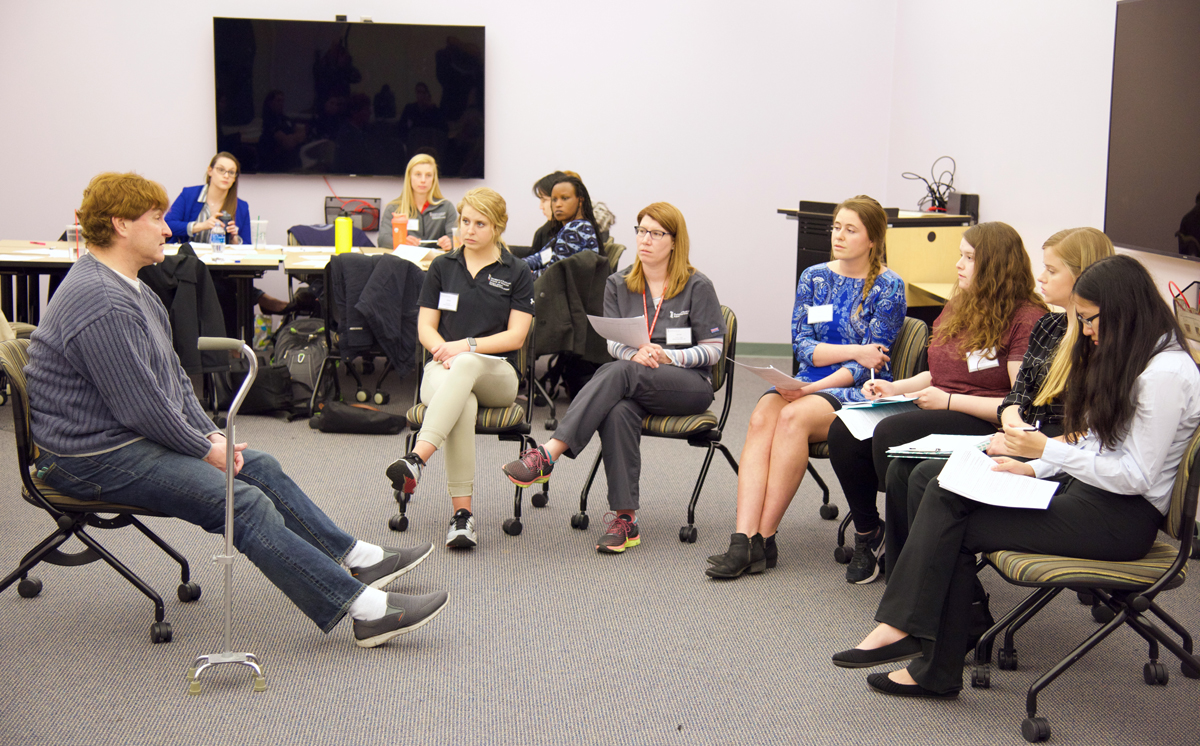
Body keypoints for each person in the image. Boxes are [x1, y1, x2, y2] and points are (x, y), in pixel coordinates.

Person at [27, 172, 447, 648]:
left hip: (119, 438)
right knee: (241, 501)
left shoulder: (135, 290)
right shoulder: (101, 301)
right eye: (157, 219)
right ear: (121, 225)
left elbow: (172, 384)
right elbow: (141, 406)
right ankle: (364, 610)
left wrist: (209, 436)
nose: (168, 230)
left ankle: (355, 556)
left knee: (259, 467)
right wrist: (205, 448)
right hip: (85, 459)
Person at [832, 254, 1200, 699]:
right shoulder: (1139, 356)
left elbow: (1134, 478)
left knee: (955, 511)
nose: (1085, 330)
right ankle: (918, 644)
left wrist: (1046, 449)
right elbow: (1094, 443)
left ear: (1123, 310)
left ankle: (920, 647)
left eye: (1089, 319)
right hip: (1091, 495)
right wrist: (1031, 465)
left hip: (1120, 520)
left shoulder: (1165, 375)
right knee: (942, 481)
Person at [826, 221, 1048, 584]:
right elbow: (938, 374)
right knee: (843, 430)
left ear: (996, 264)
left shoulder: (1025, 319)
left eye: (969, 257)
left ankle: (911, 552)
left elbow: (1017, 405)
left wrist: (948, 401)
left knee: (890, 435)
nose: (959, 264)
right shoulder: (962, 304)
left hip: (984, 419)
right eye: (960, 255)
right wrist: (895, 388)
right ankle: (869, 533)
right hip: (940, 402)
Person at [883, 227, 1115, 574]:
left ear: (1085, 277)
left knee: (926, 478)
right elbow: (1016, 396)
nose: (1041, 276)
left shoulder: (1098, 346)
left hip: (1057, 456)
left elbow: (1091, 433)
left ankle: (932, 593)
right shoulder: (1049, 327)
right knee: (904, 469)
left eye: (1051, 270)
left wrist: (1027, 444)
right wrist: (1011, 424)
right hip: (1024, 438)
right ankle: (907, 582)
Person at [501, 203, 726, 554]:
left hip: (687, 384)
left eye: (656, 233)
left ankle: (549, 453)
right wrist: (634, 353)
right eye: (641, 231)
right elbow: (614, 342)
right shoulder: (618, 284)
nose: (645, 239)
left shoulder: (697, 286)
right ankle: (625, 520)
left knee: (619, 373)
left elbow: (713, 350)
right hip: (635, 379)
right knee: (619, 409)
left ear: (674, 241)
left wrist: (668, 355)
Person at [705, 196, 906, 579]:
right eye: (836, 227)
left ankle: (764, 539)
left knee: (793, 419)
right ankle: (741, 539)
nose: (839, 236)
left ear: (873, 240)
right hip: (807, 379)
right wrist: (855, 350)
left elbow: (871, 364)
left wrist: (825, 381)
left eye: (851, 229)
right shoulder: (814, 276)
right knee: (762, 417)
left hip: (858, 389)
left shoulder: (889, 287)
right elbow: (803, 346)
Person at [385, 188, 535, 549]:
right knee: (462, 403)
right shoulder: (442, 266)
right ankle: (462, 518)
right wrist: (442, 350)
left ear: (498, 227)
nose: (468, 230)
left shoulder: (517, 271)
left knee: (467, 365)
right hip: (443, 368)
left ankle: (417, 458)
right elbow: (425, 327)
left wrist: (463, 347)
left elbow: (516, 337)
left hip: (497, 374)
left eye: (479, 223)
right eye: (464, 221)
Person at [163, 153, 290, 317]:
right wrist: (201, 225)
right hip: (188, 263)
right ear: (210, 171)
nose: (226, 175)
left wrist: (234, 238)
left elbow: (247, 249)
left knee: (227, 282)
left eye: (231, 172)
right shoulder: (189, 195)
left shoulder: (241, 206)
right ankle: (259, 297)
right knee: (223, 285)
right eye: (221, 170)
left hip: (221, 266)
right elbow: (169, 224)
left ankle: (254, 304)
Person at [523, 174, 602, 279]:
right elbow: (541, 258)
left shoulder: (577, 229)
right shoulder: (569, 228)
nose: (558, 204)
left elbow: (551, 276)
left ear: (580, 201)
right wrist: (515, 266)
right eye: (554, 200)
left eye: (565, 198)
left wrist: (521, 273)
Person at [379, 154, 458, 251]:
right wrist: (401, 242)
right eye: (418, 174)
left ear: (434, 179)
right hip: (405, 260)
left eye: (428, 175)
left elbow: (456, 237)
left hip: (436, 262)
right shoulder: (394, 208)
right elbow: (382, 240)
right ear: (409, 177)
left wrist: (450, 242)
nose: (423, 180)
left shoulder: (446, 207)